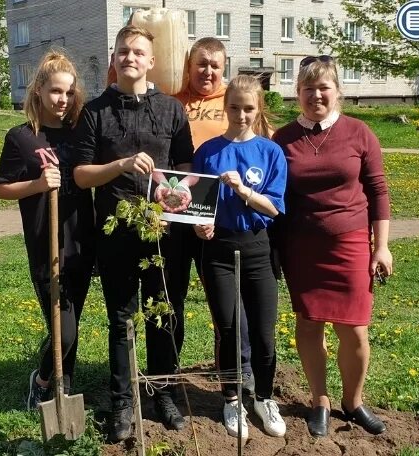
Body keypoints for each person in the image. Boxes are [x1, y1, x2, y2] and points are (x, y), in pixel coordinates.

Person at [72, 25, 195, 443]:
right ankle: (123, 402)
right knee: (122, 320)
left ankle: (162, 393)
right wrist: (121, 166)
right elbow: (82, 174)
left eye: (138, 52)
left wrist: (168, 206)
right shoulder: (95, 112)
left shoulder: (172, 111)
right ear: (114, 58)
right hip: (116, 234)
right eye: (123, 51)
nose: (130, 58)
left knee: (163, 315)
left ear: (151, 61)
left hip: (164, 235)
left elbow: (187, 175)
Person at [271, 55, 393, 438]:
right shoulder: (284, 138)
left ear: (338, 91)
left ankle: (353, 402)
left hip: (351, 243)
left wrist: (382, 247)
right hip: (302, 247)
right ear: (298, 94)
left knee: (354, 329)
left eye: (324, 87)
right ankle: (319, 399)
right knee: (309, 324)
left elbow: (378, 191)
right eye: (308, 89)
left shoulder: (360, 133)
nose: (316, 95)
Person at [0, 50, 95, 410]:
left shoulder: (80, 132)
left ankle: (64, 383)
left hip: (82, 239)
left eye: (68, 92)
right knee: (63, 329)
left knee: (71, 323)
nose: (62, 99)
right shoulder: (21, 138)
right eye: (55, 91)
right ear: (38, 90)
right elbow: (1, 188)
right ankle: (42, 379)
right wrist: (37, 185)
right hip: (45, 242)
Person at [192, 75, 287, 439]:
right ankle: (232, 399)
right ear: (225, 108)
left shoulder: (269, 151)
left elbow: (275, 209)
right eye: (234, 108)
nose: (241, 115)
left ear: (258, 109)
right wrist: (201, 226)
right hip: (217, 251)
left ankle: (263, 398)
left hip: (257, 248)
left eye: (248, 108)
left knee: (264, 334)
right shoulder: (209, 151)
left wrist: (243, 189)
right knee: (231, 330)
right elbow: (198, 205)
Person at [172, 37, 255, 394]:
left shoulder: (234, 102)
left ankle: (235, 376)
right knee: (169, 298)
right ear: (188, 65)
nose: (207, 71)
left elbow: (256, 148)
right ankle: (168, 377)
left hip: (218, 222)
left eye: (214, 65)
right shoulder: (172, 100)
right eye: (201, 63)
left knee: (227, 307)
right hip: (176, 214)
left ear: (225, 68)